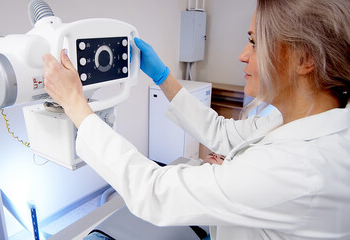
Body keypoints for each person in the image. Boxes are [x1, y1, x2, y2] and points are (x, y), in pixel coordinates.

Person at [42, 0, 350, 239]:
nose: (243, 55)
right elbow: (221, 131)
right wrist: (164, 77)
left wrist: (75, 105)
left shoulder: (303, 169)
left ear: (305, 59)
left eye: (255, 42)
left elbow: (154, 192)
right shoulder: (304, 121)